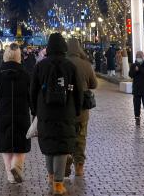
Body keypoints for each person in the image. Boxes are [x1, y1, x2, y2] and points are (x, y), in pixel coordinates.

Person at [30, 33, 82, 195]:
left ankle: (51, 176)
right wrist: (77, 110)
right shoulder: (70, 66)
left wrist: (34, 110)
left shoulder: (40, 66)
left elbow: (33, 90)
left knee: (49, 145)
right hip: (66, 111)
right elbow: (78, 91)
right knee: (62, 146)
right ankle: (58, 184)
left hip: (45, 111)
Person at [0, 44, 32, 184]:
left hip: (3, 114)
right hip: (22, 114)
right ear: (19, 56)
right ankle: (16, 166)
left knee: (5, 145)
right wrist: (36, 113)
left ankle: (10, 174)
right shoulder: (25, 75)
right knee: (21, 144)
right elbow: (31, 97)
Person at [65, 36, 97, 178]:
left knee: (66, 134)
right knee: (81, 136)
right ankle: (79, 165)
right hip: (82, 107)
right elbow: (94, 84)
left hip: (66, 106)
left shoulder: (63, 63)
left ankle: (66, 158)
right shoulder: (85, 64)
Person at [128, 50, 144, 125]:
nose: (138, 58)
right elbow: (130, 75)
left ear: (143, 57)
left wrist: (140, 69)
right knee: (136, 105)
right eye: (137, 56)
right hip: (136, 88)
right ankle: (137, 118)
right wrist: (135, 70)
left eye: (140, 56)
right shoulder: (133, 65)